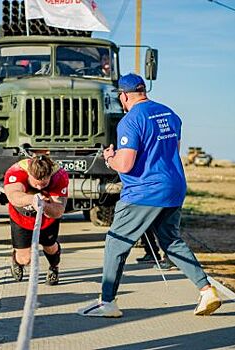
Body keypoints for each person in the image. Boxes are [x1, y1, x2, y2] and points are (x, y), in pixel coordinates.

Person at [78, 73, 221, 317]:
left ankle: (108, 303)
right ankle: (207, 290)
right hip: (174, 185)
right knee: (171, 241)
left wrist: (110, 158)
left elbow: (125, 164)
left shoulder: (131, 120)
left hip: (144, 191)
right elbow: (171, 152)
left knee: (116, 242)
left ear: (123, 96)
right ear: (144, 90)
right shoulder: (170, 114)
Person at [4, 155, 69, 285]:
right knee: (25, 259)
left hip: (47, 218)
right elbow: (13, 196)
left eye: (44, 184)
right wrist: (32, 199)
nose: (39, 188)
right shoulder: (16, 171)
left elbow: (58, 210)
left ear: (50, 175)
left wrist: (44, 205)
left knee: (50, 247)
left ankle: (54, 267)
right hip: (21, 217)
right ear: (29, 174)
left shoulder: (60, 176)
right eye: (35, 184)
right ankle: (17, 260)